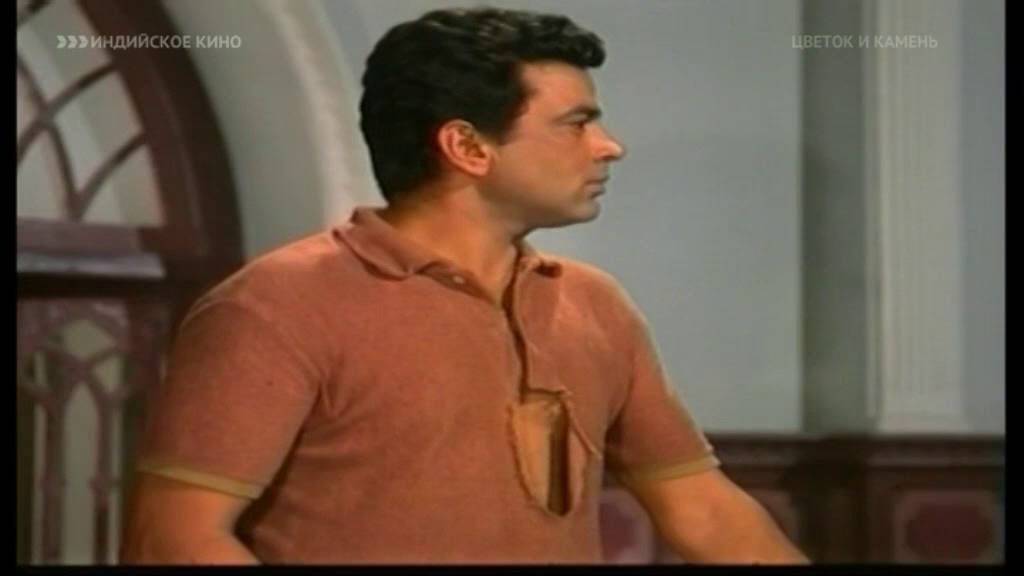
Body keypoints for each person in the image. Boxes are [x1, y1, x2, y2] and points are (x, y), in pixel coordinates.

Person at [120, 6, 808, 564]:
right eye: (577, 123)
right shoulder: (276, 305)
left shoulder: (593, 305)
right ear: (468, 147)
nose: (609, 146)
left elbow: (703, 509)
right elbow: (175, 539)